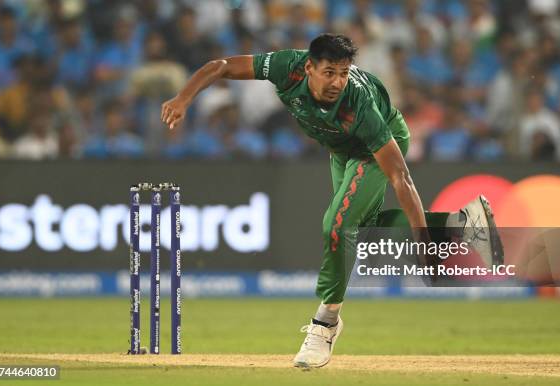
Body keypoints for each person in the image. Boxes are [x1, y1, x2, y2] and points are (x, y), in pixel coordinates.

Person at [161, 33, 502, 368]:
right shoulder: (287, 67)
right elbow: (221, 66)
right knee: (359, 229)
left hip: (379, 142)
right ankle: (463, 225)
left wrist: (425, 244)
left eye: (343, 73)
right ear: (309, 68)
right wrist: (183, 98)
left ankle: (325, 324)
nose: (338, 81)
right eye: (329, 73)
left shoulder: (359, 105)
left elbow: (401, 177)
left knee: (336, 226)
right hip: (341, 150)